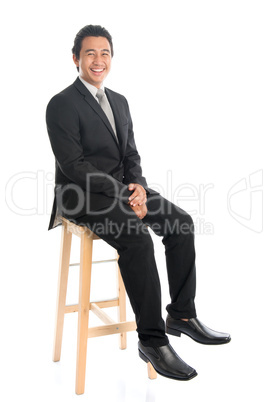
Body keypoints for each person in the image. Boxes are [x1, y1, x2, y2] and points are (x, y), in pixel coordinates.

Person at [46, 24, 231, 381]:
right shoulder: (61, 104)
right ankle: (151, 340)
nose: (98, 60)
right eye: (90, 53)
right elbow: (74, 166)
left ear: (111, 58)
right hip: (82, 197)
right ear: (75, 59)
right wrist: (125, 194)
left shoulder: (119, 101)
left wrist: (139, 189)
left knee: (181, 223)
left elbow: (131, 153)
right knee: (137, 238)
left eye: (105, 53)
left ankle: (181, 314)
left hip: (124, 191)